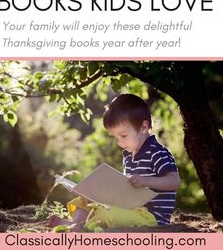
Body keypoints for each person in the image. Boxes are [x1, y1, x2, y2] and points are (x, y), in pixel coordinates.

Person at [49, 93, 180, 230]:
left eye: (123, 135)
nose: (119, 142)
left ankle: (84, 228)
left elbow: (175, 181)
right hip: (129, 210)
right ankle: (74, 224)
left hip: (151, 217)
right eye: (115, 137)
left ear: (143, 127)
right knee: (84, 200)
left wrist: (145, 181)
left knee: (109, 214)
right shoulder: (128, 156)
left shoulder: (157, 152)